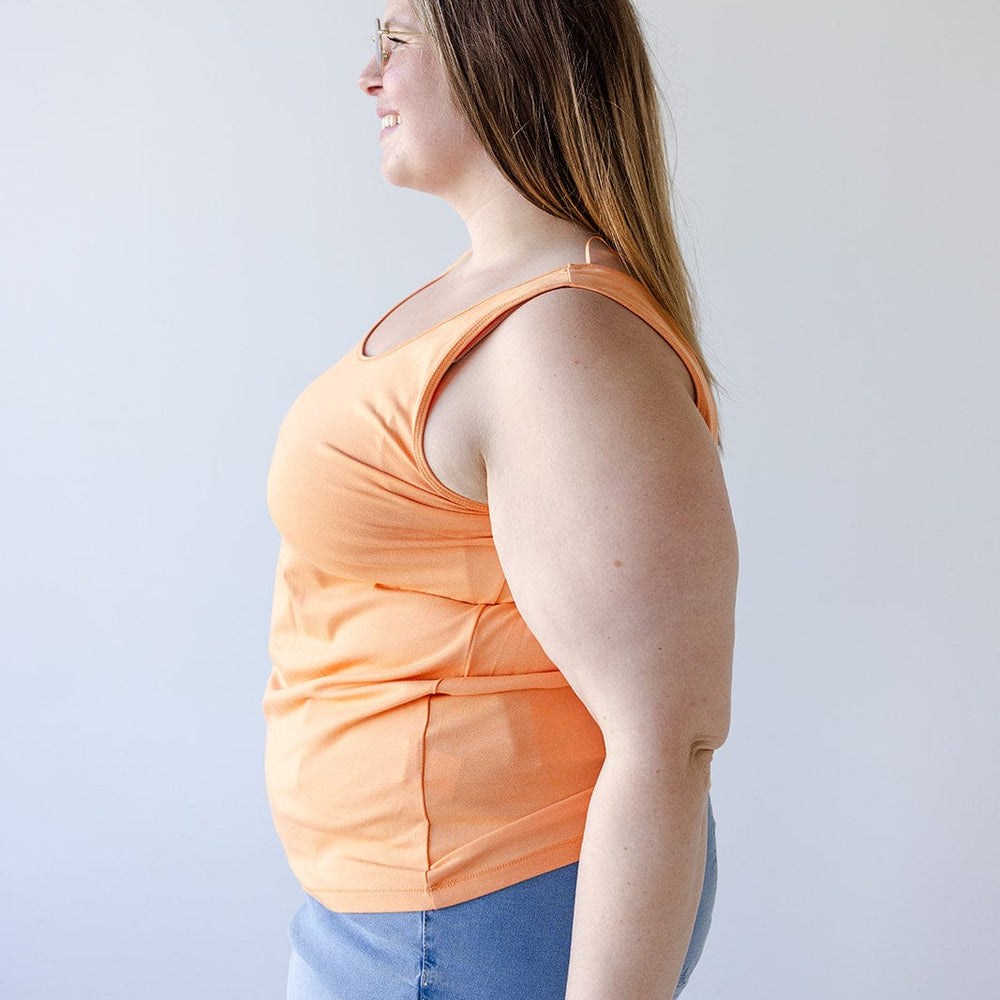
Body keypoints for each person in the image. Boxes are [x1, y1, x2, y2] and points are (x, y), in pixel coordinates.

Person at [262, 1, 738, 997]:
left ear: (502, 55)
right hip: (412, 907)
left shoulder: (564, 337)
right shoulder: (500, 297)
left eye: (396, 40)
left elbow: (668, 731)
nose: (368, 77)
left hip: (471, 907)